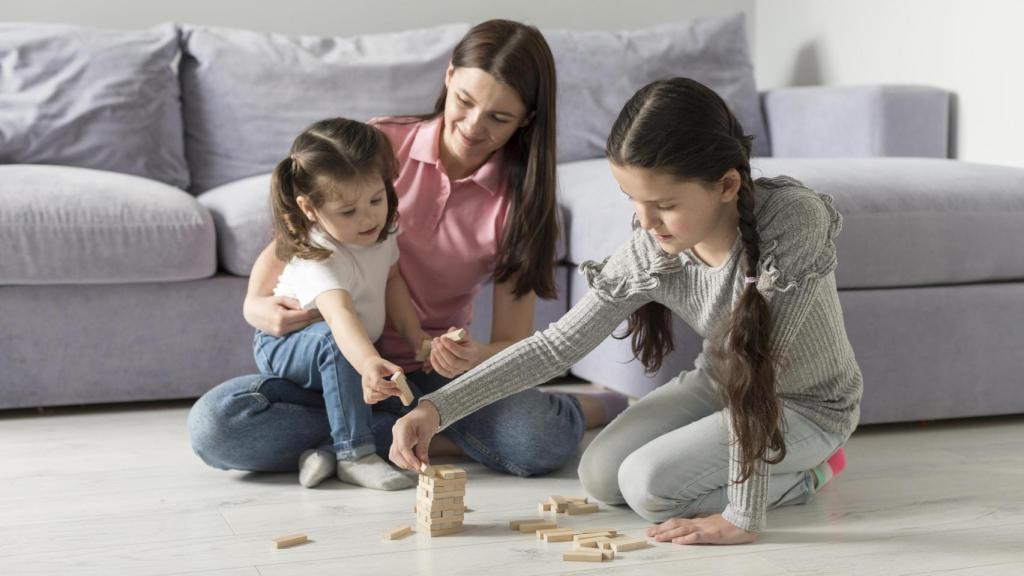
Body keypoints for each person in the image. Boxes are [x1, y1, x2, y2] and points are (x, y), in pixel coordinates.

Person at [388, 77, 863, 545]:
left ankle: (811, 473)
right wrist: (436, 409)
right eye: (633, 200)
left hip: (805, 406)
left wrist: (742, 514)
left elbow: (757, 371)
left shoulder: (792, 221)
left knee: (648, 488)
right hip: (718, 383)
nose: (645, 222)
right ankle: (749, 463)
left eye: (664, 204)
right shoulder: (652, 248)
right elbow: (556, 346)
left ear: (726, 185)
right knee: (600, 474)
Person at [187, 20, 627, 484]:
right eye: (465, 101)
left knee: (536, 437)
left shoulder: (521, 204)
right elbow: (295, 240)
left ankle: (360, 438)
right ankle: (391, 435)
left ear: (526, 120)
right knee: (218, 426)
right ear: (449, 76)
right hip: (336, 369)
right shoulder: (382, 144)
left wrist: (471, 356)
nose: (473, 126)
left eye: (499, 118)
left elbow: (512, 343)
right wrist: (254, 305)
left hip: (433, 378)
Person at [254, 117, 428, 490]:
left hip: (347, 351)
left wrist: (415, 335)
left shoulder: (383, 230)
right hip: (288, 346)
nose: (368, 217)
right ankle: (354, 455)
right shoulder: (319, 252)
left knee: (406, 405)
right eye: (348, 211)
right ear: (309, 208)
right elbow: (340, 315)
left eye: (376, 199)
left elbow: (393, 281)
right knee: (335, 344)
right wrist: (367, 363)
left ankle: (325, 449)